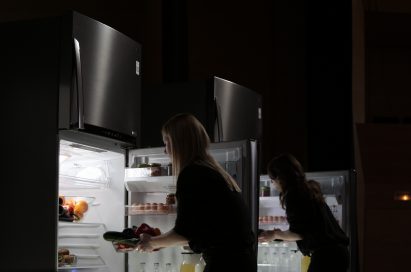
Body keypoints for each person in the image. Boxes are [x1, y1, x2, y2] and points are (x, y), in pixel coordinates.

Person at [136, 113, 256, 272]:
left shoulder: (192, 174)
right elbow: (197, 233)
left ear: (180, 143)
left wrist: (152, 242)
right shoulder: (213, 172)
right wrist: (158, 241)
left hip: (225, 265)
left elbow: (184, 233)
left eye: (167, 142)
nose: (165, 151)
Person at [258, 153, 349, 272]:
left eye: (272, 179)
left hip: (326, 256)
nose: (273, 184)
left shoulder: (294, 194)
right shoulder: (307, 189)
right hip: (338, 254)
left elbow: (298, 233)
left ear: (280, 178)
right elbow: (307, 229)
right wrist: (280, 235)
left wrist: (274, 235)